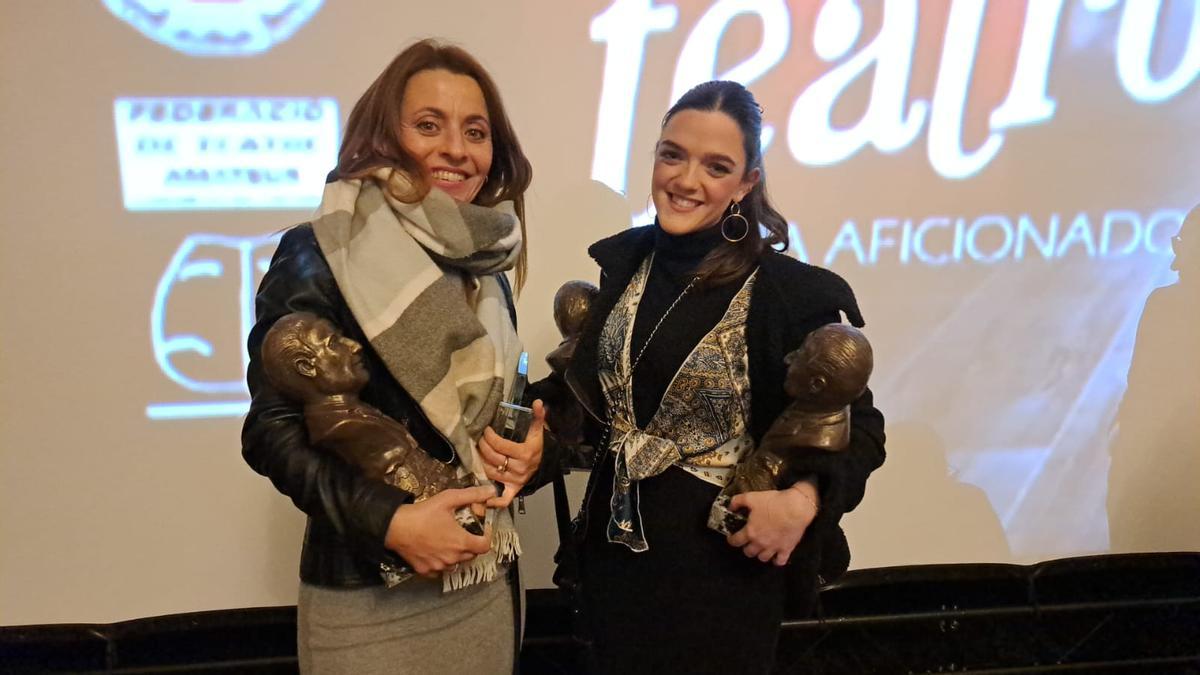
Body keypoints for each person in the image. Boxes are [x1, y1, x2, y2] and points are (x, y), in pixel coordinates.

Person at [554, 80, 886, 674]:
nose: (685, 180)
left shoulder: (790, 293)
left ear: (747, 183)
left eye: (717, 166)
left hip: (724, 586)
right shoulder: (623, 266)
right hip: (613, 577)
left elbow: (863, 429)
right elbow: (587, 398)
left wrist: (804, 501)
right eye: (672, 154)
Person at [241, 39, 545, 674]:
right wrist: (390, 522)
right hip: (369, 602)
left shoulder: (487, 266)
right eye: (428, 125)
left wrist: (525, 451)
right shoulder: (320, 252)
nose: (456, 149)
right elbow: (269, 432)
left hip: (482, 582)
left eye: (476, 131)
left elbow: (483, 420)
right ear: (384, 136)